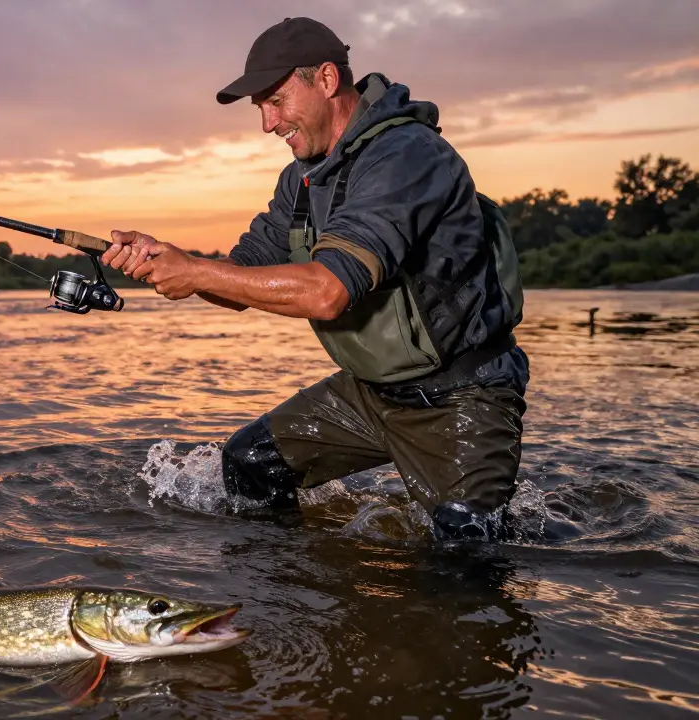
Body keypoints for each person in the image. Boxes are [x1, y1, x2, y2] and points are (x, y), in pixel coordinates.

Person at [100, 17, 530, 541]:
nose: (267, 123)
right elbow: (241, 278)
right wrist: (168, 262)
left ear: (327, 80)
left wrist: (194, 273)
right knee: (248, 462)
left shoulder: (406, 155)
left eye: (276, 100)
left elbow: (327, 292)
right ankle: (296, 593)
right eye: (260, 107)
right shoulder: (299, 179)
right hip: (369, 395)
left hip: (462, 396)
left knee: (463, 561)